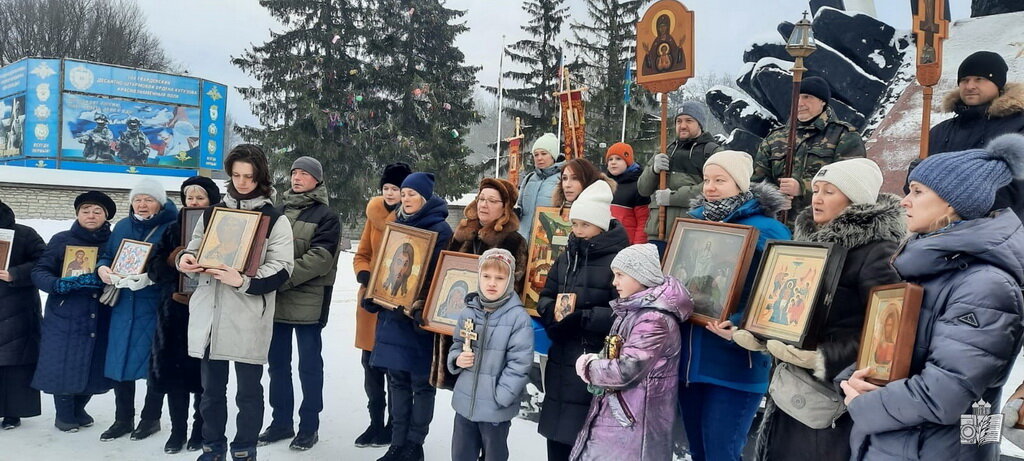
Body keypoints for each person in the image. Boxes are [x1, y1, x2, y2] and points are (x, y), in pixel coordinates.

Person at [839, 134, 1024, 460]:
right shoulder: (932, 269)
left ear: (952, 203)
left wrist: (865, 403)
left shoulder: (985, 286)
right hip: (897, 444)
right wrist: (857, 378)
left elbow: (946, 394)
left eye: (917, 191)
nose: (903, 201)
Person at [733, 158, 904, 461]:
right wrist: (763, 330)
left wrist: (824, 358)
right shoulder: (807, 241)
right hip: (792, 384)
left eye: (830, 191)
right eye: (815, 190)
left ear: (855, 200)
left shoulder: (878, 251)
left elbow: (888, 332)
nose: (817, 198)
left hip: (833, 394)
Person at [177, 144, 295, 461]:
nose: (242, 182)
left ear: (261, 177)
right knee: (211, 392)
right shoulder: (214, 213)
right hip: (210, 312)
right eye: (237, 175)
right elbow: (195, 247)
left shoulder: (274, 218)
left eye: (249, 176)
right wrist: (186, 260)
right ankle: (212, 447)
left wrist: (242, 281)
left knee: (248, 392)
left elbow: (282, 268)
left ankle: (244, 449)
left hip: (247, 312)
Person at [679, 150, 791, 461]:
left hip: (736, 363)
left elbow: (779, 292)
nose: (710, 188)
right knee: (698, 452)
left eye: (720, 180)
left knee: (722, 454)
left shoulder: (768, 230)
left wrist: (741, 323)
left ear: (740, 184)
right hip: (691, 361)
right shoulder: (693, 224)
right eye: (706, 180)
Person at [570, 243, 693, 460]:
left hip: (634, 422)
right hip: (624, 416)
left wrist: (589, 367)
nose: (614, 282)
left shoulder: (653, 319)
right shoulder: (635, 311)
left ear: (641, 276)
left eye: (620, 275)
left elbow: (627, 370)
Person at [535, 180, 629, 461]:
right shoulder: (566, 257)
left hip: (594, 358)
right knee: (557, 436)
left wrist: (585, 318)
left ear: (600, 225)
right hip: (561, 352)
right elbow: (544, 296)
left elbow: (624, 312)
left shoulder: (620, 260)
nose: (577, 231)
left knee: (586, 437)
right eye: (574, 224)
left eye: (584, 225)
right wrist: (553, 313)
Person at [362, 172, 453, 461]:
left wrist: (418, 304)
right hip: (391, 318)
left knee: (420, 384)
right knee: (396, 381)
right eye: (404, 193)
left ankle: (415, 444)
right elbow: (385, 265)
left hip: (418, 321)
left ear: (425, 198)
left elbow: (439, 277)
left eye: (413, 194)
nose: (406, 198)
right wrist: (376, 292)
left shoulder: (441, 230)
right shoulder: (396, 225)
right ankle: (397, 442)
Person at [261, 156, 341, 451]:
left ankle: (309, 425)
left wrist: (278, 277)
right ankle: (281, 422)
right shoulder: (276, 211)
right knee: (277, 365)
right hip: (276, 302)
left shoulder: (326, 216)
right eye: (294, 172)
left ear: (317, 180)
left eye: (304, 174)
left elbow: (321, 259)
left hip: (308, 301)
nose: (297, 177)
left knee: (309, 366)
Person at [95, 178, 177, 442]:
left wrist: (151, 277)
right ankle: (123, 418)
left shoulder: (171, 226)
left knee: (154, 364)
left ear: (160, 202)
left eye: (148, 199)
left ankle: (150, 418)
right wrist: (103, 268)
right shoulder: (122, 226)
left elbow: (173, 263)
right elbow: (107, 254)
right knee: (120, 362)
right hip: (122, 305)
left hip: (154, 304)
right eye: (137, 199)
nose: (142, 204)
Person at [31, 192, 117, 433]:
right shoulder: (61, 240)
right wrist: (58, 284)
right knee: (64, 363)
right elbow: (40, 271)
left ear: (106, 216)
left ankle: (80, 407)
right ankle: (65, 413)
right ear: (77, 213)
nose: (91, 215)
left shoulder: (114, 243)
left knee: (94, 365)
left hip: (100, 312)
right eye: (86, 210)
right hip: (66, 313)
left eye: (97, 211)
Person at [147, 176, 221, 453]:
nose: (194, 202)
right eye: (189, 197)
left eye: (199, 197)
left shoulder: (222, 227)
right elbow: (154, 268)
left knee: (204, 377)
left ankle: (200, 429)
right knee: (175, 376)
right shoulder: (172, 229)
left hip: (209, 310)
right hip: (175, 313)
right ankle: (177, 430)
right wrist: (171, 260)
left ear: (211, 200)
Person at [433, 177, 529, 389]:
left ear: (505, 207)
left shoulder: (513, 241)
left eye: (492, 201)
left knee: (479, 391)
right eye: (481, 199)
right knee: (460, 392)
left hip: (488, 333)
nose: (484, 204)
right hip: (454, 325)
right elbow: (444, 275)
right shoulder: (462, 234)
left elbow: (512, 287)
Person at [907, 51, 1024, 219]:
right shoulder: (940, 132)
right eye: (964, 80)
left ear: (998, 84)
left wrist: (946, 192)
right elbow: (913, 194)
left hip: (997, 235)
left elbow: (1015, 191)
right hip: (938, 233)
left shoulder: (1018, 126)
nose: (969, 86)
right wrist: (914, 179)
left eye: (979, 79)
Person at [447, 249, 534, 461]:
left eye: (499, 278)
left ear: (510, 280)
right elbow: (457, 344)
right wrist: (457, 358)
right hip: (465, 404)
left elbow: (520, 363)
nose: (492, 283)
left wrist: (501, 397)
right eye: (486, 276)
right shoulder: (469, 311)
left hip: (495, 408)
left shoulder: (517, 318)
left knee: (494, 456)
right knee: (461, 454)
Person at [752, 76, 866, 223]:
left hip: (823, 227)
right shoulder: (775, 138)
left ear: (822, 101)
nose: (800, 103)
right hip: (779, 227)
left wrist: (802, 188)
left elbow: (851, 184)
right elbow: (756, 183)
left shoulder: (844, 136)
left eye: (807, 97)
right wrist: (774, 199)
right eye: (796, 97)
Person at [352, 162, 411, 448]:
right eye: (386, 188)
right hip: (370, 302)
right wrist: (363, 273)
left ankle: (393, 426)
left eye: (396, 189)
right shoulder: (373, 214)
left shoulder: (412, 219)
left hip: (397, 303)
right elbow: (361, 253)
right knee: (370, 366)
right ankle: (375, 422)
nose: (390, 193)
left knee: (394, 369)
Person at [637, 101, 722, 247]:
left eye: (689, 121)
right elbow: (643, 189)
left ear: (700, 124)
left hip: (691, 233)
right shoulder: (665, 149)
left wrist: (673, 198)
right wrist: (653, 170)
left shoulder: (712, 152)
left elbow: (714, 188)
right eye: (679, 121)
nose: (682, 126)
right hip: (657, 232)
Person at [0, 200, 46, 430]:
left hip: (17, 308)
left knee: (15, 363)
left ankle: (13, 412)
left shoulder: (25, 234)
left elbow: (43, 262)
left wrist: (15, 274)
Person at [517, 133, 563, 241]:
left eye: (544, 153)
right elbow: (519, 206)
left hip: (546, 240)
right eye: (536, 155)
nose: (539, 158)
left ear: (553, 156)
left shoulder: (563, 179)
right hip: (522, 239)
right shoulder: (529, 178)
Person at [605, 142, 650, 244]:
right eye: (610, 159)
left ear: (628, 161)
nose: (613, 162)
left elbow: (643, 220)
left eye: (618, 159)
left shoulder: (638, 186)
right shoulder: (603, 185)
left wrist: (638, 246)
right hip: (605, 242)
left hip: (626, 243)